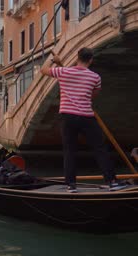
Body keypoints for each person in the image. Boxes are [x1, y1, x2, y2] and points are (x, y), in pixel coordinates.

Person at [41, 47, 126, 193]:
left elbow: (43, 70)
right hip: (86, 117)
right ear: (91, 60)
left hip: (67, 117)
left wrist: (53, 60)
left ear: (77, 57)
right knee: (100, 149)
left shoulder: (64, 72)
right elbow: (93, 95)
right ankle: (112, 181)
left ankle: (71, 185)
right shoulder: (95, 77)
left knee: (69, 151)